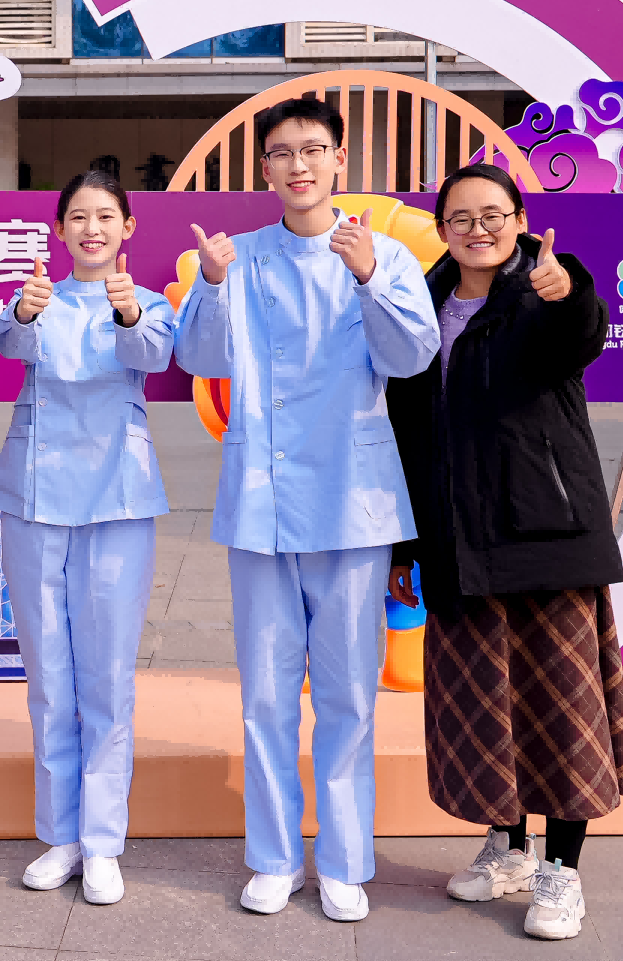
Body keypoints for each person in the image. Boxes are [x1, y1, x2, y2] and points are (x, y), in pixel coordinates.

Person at [173, 96, 440, 923]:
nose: (298, 165)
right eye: (282, 152)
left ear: (338, 160)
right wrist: (210, 284)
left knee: (349, 692)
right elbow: (200, 355)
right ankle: (272, 857)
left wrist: (366, 277)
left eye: (312, 149)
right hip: (261, 500)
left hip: (352, 501)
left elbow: (412, 355)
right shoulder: (238, 257)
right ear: (264, 168)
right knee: (264, 692)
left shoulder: (385, 254)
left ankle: (345, 861)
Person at [384, 162, 623, 942]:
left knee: (559, 709)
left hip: (542, 536)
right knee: (484, 705)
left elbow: (578, 334)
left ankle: (561, 872)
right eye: (460, 217)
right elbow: (407, 433)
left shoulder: (544, 288)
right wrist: (404, 543)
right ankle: (510, 848)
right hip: (455, 542)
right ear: (441, 228)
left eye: (492, 214)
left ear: (518, 219)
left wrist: (568, 292)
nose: (477, 229)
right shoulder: (420, 305)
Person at [0, 171, 174, 907]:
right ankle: (59, 835)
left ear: (127, 227)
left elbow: (154, 357)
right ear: (59, 229)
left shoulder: (147, 302)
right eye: (77, 217)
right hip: (34, 497)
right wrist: (24, 313)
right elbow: (7, 343)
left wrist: (127, 314)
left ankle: (101, 842)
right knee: (49, 677)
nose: (91, 229)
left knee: (107, 678)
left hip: (117, 498)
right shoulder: (36, 298)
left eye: (104, 217)